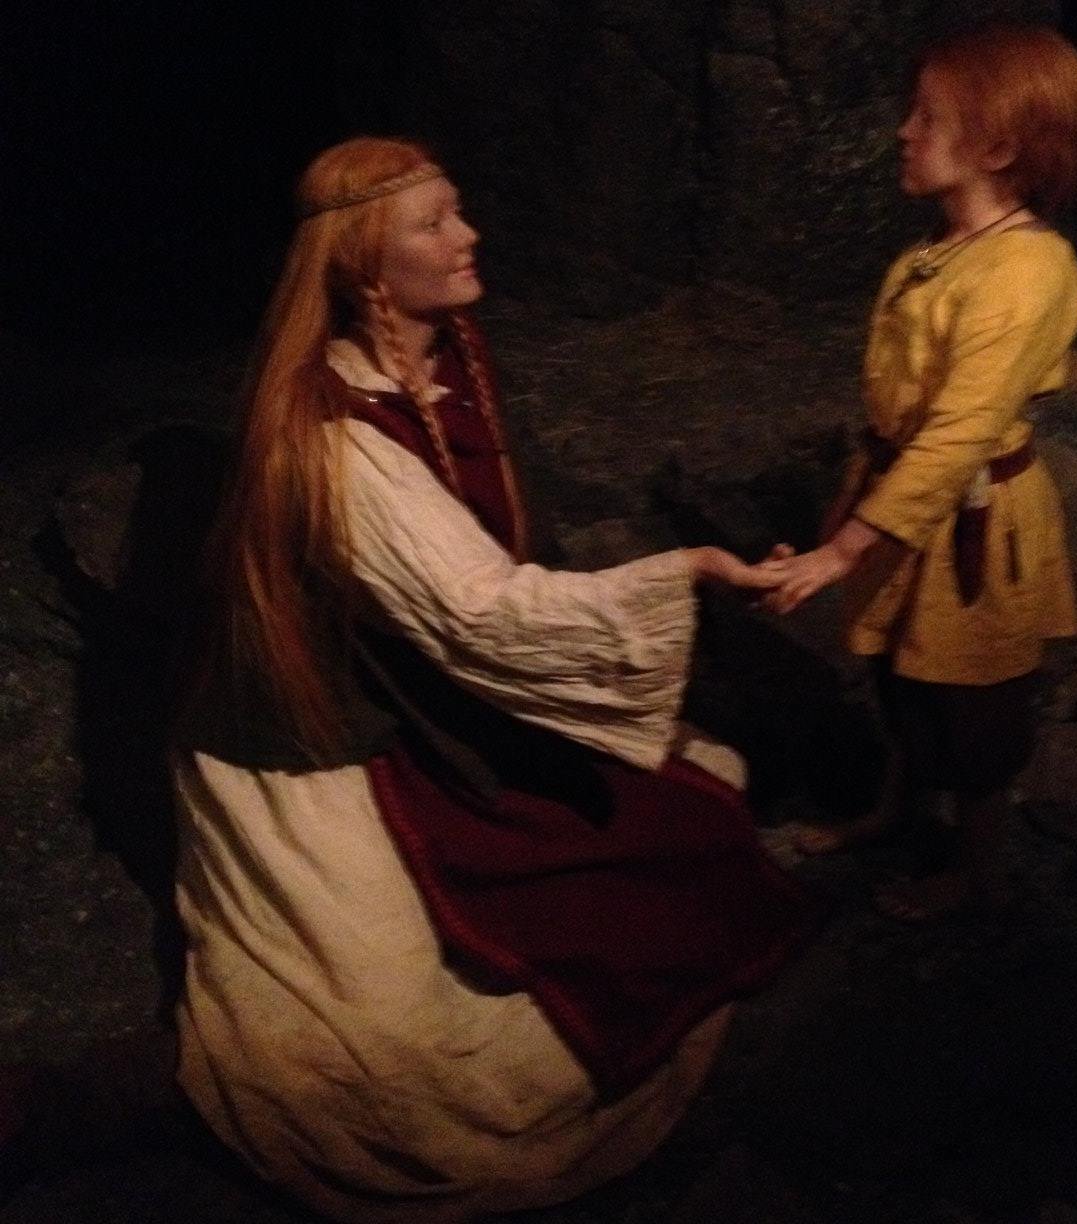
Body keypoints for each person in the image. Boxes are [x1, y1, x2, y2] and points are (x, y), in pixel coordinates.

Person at [167, 136, 812, 1221]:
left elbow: (493, 568)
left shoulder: (450, 351)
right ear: (369, 270)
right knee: (394, 1065)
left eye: (460, 211)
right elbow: (480, 612)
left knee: (692, 811)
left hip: (423, 696)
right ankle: (90, 1110)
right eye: (434, 225)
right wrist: (689, 571)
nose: (468, 238)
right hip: (311, 742)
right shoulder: (332, 440)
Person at [765, 24, 1077, 920]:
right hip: (905, 507)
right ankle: (891, 812)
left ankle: (976, 869)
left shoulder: (1029, 269)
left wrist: (841, 552)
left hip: (972, 528)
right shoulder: (935, 253)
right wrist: (849, 512)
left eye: (928, 117)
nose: (903, 133)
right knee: (901, 678)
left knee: (975, 709)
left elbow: (956, 436)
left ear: (996, 146)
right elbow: (896, 414)